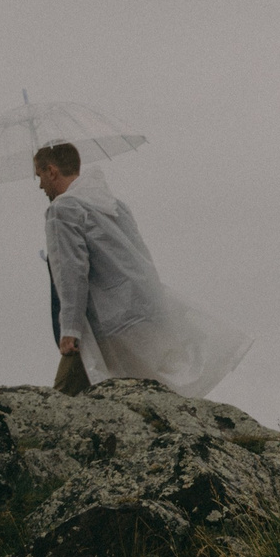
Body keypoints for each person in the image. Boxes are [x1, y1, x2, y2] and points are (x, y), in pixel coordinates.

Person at [34, 142, 250, 398]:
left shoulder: (62, 210)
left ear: (51, 170)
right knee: (153, 391)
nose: (40, 186)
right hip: (141, 309)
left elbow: (72, 273)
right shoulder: (113, 204)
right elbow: (141, 256)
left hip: (107, 321)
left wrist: (69, 329)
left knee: (61, 400)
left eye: (39, 176)